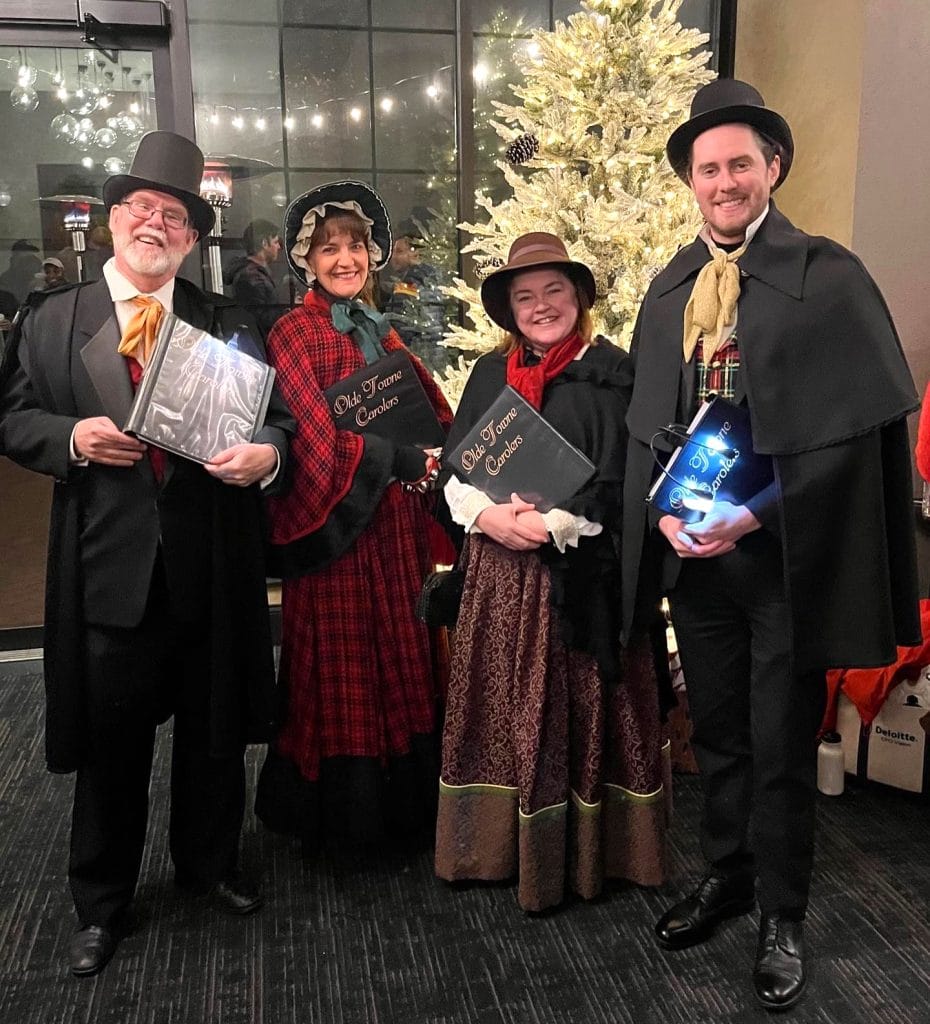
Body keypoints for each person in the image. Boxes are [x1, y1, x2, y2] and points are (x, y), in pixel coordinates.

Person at [622, 79, 920, 1011]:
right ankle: (730, 874)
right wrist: (665, 515)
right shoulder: (671, 289)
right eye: (707, 169)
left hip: (782, 555)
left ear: (771, 168)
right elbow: (651, 428)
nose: (723, 182)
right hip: (697, 559)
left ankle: (783, 912)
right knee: (716, 729)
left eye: (739, 164)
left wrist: (750, 515)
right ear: (691, 183)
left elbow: (847, 437)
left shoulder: (825, 276)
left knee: (782, 739)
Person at [0, 130, 295, 978]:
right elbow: (13, 421)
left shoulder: (224, 320)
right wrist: (74, 437)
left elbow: (273, 421)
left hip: (205, 563)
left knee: (211, 737)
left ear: (193, 238)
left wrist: (267, 455)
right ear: (112, 220)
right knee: (111, 746)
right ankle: (101, 901)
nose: (154, 223)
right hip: (108, 571)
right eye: (140, 208)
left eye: (174, 214)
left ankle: (210, 865)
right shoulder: (56, 320)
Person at [435, 233, 668, 912]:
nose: (540, 307)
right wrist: (484, 514)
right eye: (525, 296)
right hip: (497, 577)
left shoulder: (616, 375)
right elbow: (458, 465)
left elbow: (629, 480)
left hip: (582, 582)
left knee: (585, 705)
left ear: (580, 298)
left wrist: (555, 524)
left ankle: (592, 855)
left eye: (554, 291)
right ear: (510, 309)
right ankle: (497, 848)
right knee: (499, 706)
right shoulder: (488, 375)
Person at [253, 181, 454, 850]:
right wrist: (389, 459)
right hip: (338, 538)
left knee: (403, 652)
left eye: (355, 246)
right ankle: (347, 822)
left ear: (373, 254)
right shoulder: (291, 331)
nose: (345, 258)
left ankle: (405, 810)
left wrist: (438, 452)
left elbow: (428, 410)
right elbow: (310, 438)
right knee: (341, 671)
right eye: (327, 247)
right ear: (305, 259)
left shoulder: (381, 326)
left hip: (396, 535)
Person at [224, 217, 285, 339]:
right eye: (276, 242)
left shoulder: (254, 274)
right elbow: (260, 321)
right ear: (264, 243)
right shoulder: (251, 278)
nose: (279, 247)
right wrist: (289, 314)